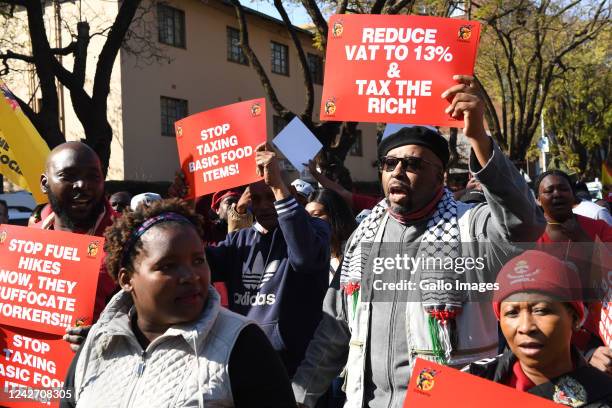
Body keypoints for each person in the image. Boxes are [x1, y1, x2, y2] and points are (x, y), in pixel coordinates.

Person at [292, 75, 546, 408]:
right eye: (389, 163)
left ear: (440, 175)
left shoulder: (472, 227)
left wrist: (480, 141)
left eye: (412, 164)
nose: (397, 172)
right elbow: (334, 331)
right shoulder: (363, 237)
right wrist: (298, 398)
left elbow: (524, 225)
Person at [61, 199, 295, 408]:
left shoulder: (242, 343)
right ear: (126, 279)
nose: (191, 276)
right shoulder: (98, 341)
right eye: (168, 266)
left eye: (198, 260)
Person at [206, 142, 331, 378]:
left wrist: (278, 188)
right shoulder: (239, 241)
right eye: (256, 198)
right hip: (247, 362)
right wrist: (182, 208)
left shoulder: (316, 229)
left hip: (300, 368)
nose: (263, 206)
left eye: (270, 195)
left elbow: (305, 259)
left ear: (291, 194)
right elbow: (196, 266)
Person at [464, 251, 612, 406]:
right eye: (512, 313)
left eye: (541, 310)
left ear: (575, 318)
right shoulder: (471, 380)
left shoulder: (603, 395)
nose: (526, 327)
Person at [36, 141, 119, 349]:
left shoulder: (131, 239)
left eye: (93, 176)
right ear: (45, 183)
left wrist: (110, 334)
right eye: (68, 176)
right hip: (37, 375)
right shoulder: (23, 244)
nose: (82, 185)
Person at [536, 170, 612, 243]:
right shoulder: (530, 236)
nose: (557, 194)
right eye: (549, 191)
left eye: (563, 189)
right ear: (538, 200)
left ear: (573, 195)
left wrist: (582, 238)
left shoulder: (600, 228)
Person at [306, 188, 357, 282]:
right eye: (306, 216)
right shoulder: (310, 254)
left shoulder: (357, 250)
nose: (309, 221)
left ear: (335, 216)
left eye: (316, 215)